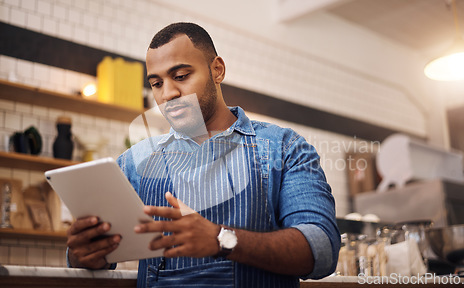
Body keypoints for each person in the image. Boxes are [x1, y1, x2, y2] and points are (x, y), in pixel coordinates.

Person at [65, 22, 340, 288]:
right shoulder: (134, 162)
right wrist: (82, 256)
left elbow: (322, 249)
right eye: (157, 83)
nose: (168, 94)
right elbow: (99, 260)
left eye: (181, 76)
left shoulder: (284, 148)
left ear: (217, 70)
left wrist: (222, 239)